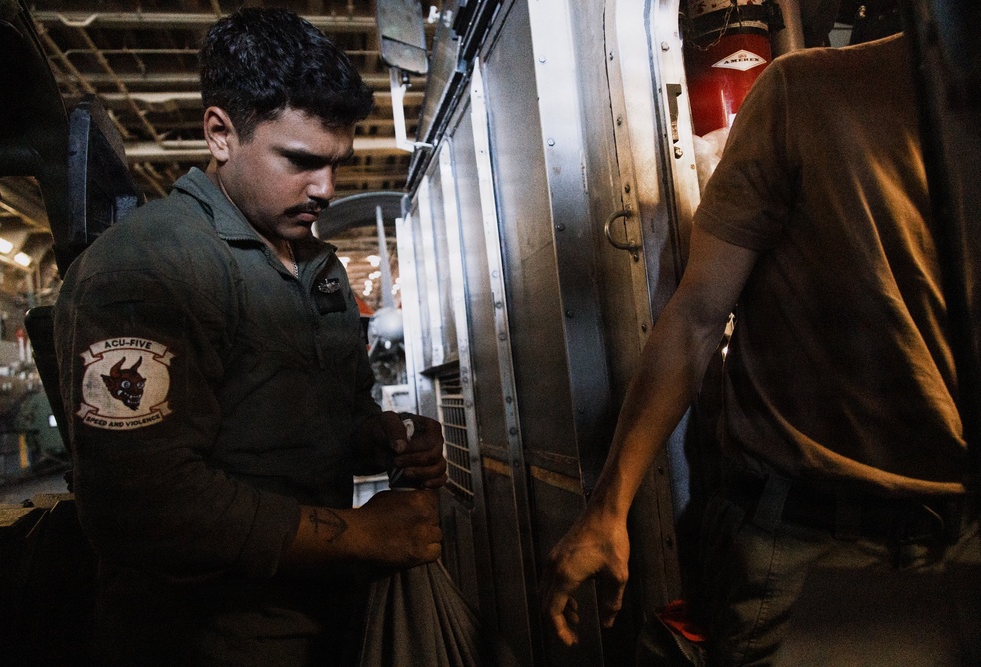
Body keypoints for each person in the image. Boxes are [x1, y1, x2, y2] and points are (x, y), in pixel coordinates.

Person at [541, 32, 980, 665]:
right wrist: (609, 509)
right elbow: (695, 317)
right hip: (818, 543)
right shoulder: (805, 93)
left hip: (965, 537)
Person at [53, 8, 447, 665]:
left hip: (325, 621)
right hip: (205, 641)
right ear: (220, 134)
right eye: (300, 160)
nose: (325, 188)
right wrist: (355, 533)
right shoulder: (148, 268)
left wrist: (380, 435)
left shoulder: (317, 266)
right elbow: (147, 505)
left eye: (335, 163)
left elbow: (311, 421)